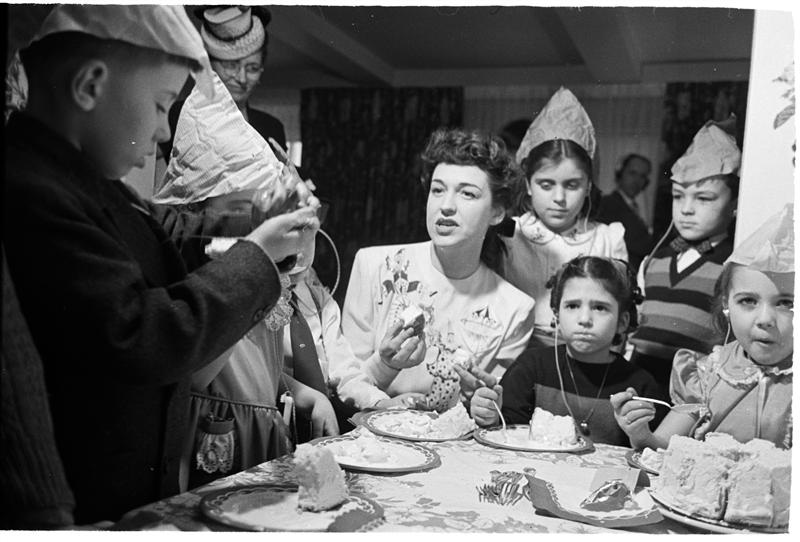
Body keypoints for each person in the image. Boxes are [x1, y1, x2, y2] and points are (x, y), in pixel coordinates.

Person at [3, 5, 318, 523]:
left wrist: (257, 216)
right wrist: (258, 256)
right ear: (89, 86)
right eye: (160, 105)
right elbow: (139, 332)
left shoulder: (87, 182)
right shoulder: (31, 190)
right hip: (84, 503)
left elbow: (168, 228)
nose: (163, 133)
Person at [340, 128, 535, 413]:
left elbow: (487, 403)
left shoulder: (515, 310)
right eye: (438, 190)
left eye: (467, 194)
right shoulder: (374, 266)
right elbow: (346, 383)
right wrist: (385, 375)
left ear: (497, 212)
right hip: (370, 433)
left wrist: (484, 407)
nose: (446, 206)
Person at [612, 205, 793, 449]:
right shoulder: (708, 374)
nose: (765, 319)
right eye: (748, 301)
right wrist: (640, 432)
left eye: (786, 303)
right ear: (726, 304)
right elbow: (661, 447)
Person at [470, 256, 666, 446]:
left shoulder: (639, 385)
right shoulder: (532, 367)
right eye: (572, 306)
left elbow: (654, 452)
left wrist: (641, 434)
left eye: (600, 308)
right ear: (556, 315)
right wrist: (490, 415)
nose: (584, 319)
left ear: (622, 321)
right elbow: (505, 431)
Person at [500, 87, 628, 347]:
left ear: (588, 186)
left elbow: (621, 317)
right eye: (546, 185)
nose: (559, 198)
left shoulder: (607, 239)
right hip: (516, 352)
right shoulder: (510, 234)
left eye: (572, 185)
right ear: (528, 185)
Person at [629, 121, 740, 389]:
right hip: (638, 380)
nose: (686, 209)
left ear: (735, 205)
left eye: (704, 198)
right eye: (679, 196)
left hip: (694, 387)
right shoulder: (654, 260)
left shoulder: (732, 266)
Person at [160, 5, 286, 163]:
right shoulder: (179, 115)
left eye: (252, 68)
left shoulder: (272, 127)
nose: (242, 78)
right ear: (210, 66)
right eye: (230, 66)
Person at [595, 153, 655, 272]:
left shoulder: (634, 207)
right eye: (632, 173)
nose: (637, 181)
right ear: (620, 174)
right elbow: (641, 244)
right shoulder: (608, 204)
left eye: (642, 176)